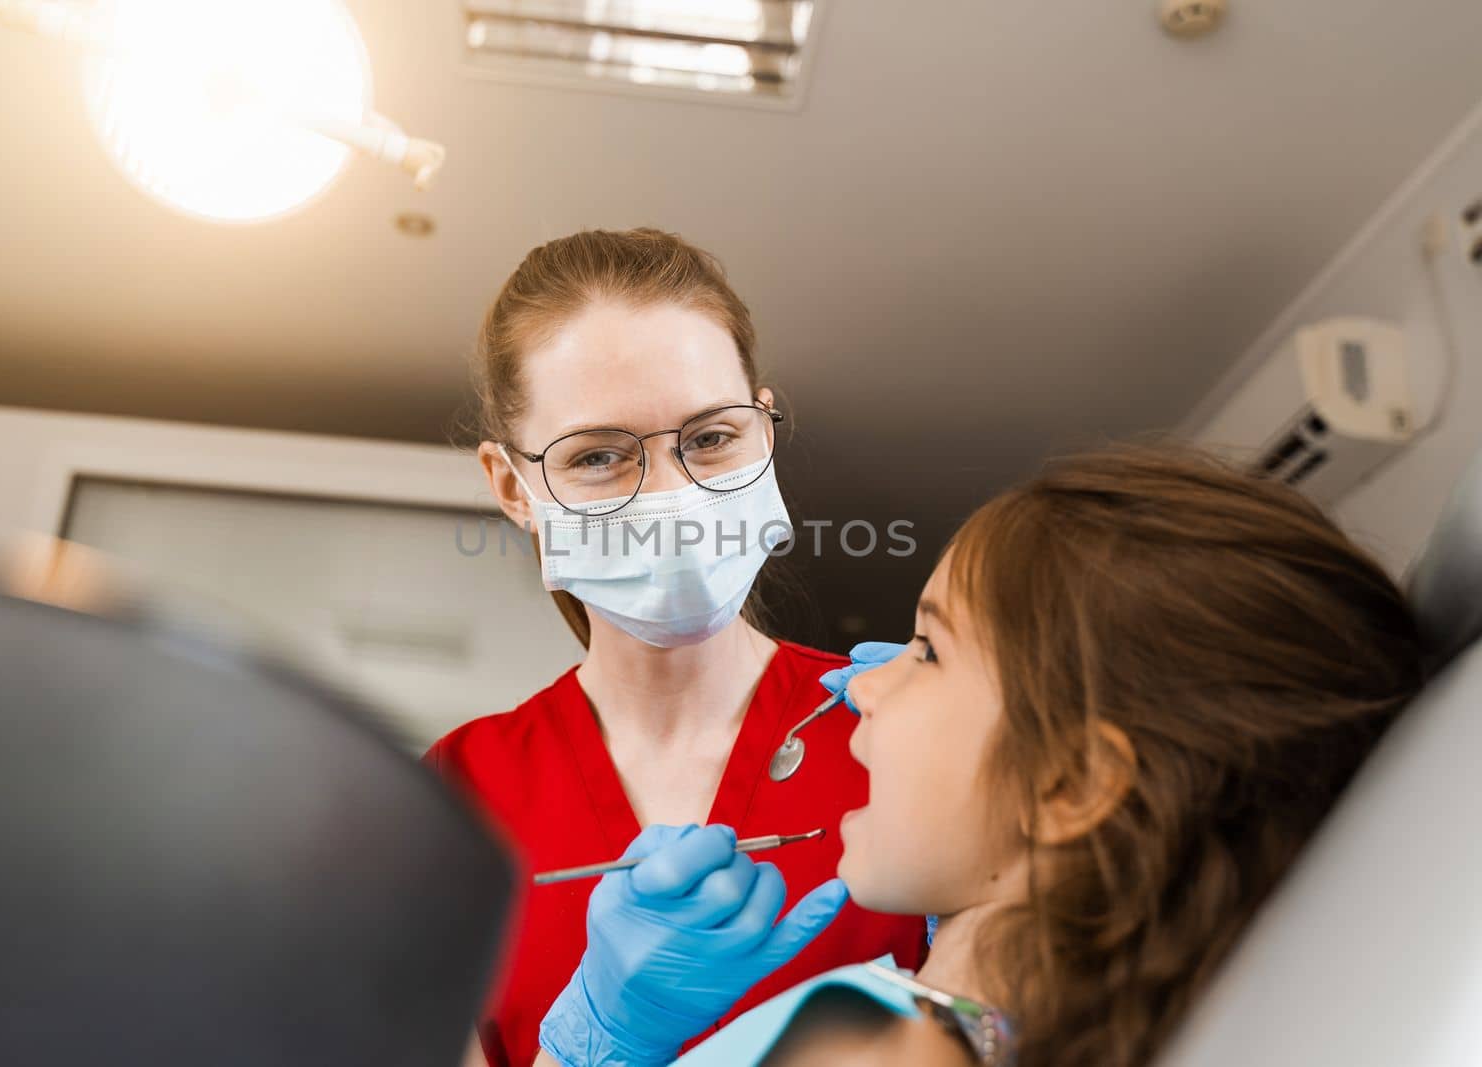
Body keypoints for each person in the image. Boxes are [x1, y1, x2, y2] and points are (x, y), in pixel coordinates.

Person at [565, 444, 1424, 1066]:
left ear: (1073, 783)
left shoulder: (882, 1047)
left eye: (929, 649)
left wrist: (598, 1045)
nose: (863, 685)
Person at [424, 228, 926, 1067]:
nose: (673, 495)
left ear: (765, 429)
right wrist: (597, 1041)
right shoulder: (454, 801)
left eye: (711, 437)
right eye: (598, 456)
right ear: (513, 487)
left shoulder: (899, 734)